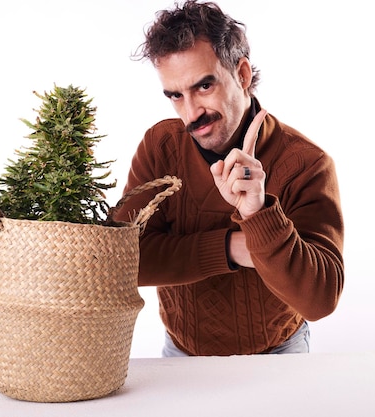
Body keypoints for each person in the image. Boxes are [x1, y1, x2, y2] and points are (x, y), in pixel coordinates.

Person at [114, 0, 344, 357]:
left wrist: (258, 215)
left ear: (242, 74)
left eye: (204, 87)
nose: (191, 113)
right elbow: (121, 260)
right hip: (182, 356)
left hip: (279, 356)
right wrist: (232, 248)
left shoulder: (306, 163)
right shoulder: (161, 146)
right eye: (176, 95)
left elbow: (320, 300)